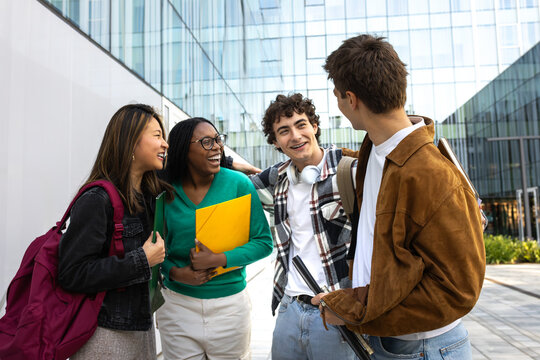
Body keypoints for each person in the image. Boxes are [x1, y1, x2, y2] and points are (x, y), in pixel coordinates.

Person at [311, 34, 486, 359]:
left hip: (425, 348)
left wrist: (356, 312)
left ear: (351, 99)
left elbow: (459, 292)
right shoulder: (375, 153)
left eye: (336, 96)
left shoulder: (431, 174)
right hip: (390, 340)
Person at [232, 93, 356, 360]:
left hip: (336, 310)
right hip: (290, 307)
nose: (295, 136)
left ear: (315, 126)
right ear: (275, 141)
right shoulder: (277, 178)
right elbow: (236, 187)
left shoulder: (350, 172)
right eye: (284, 131)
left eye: (301, 125)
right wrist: (232, 163)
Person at [58, 104, 173, 359]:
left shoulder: (148, 196)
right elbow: (71, 273)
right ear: (130, 141)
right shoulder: (97, 199)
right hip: (105, 335)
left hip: (142, 328)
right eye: (157, 136)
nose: (165, 144)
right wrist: (141, 260)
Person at [156, 117, 273, 360]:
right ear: (183, 150)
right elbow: (154, 247)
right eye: (207, 142)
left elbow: (263, 242)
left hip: (230, 308)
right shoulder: (164, 190)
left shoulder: (239, 184)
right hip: (177, 306)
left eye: (218, 140)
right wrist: (175, 273)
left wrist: (218, 259)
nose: (218, 147)